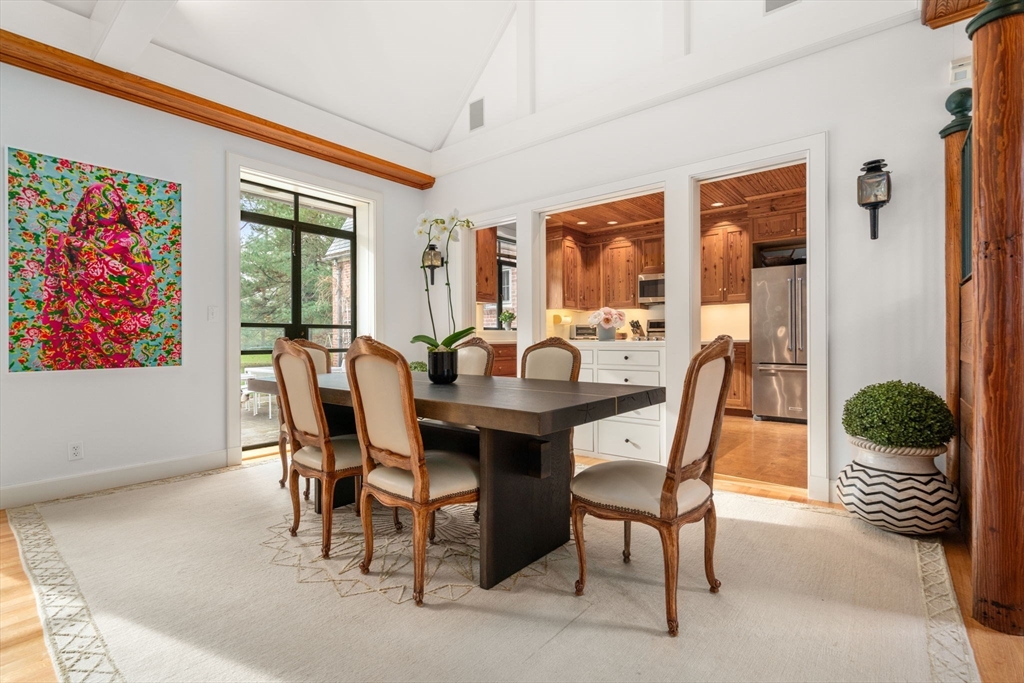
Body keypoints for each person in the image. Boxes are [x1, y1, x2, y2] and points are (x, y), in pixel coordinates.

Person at [39, 182, 157, 370]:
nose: (102, 209)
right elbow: (67, 279)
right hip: (83, 317)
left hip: (109, 318)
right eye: (96, 204)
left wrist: (86, 252)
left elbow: (143, 286)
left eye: (106, 204)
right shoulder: (76, 240)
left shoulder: (127, 240)